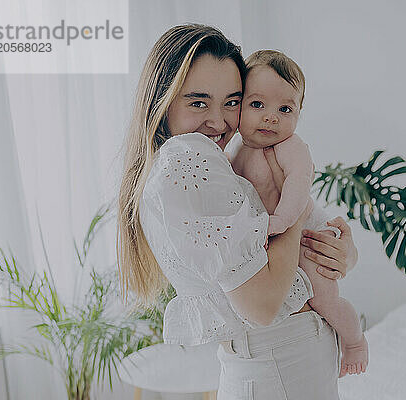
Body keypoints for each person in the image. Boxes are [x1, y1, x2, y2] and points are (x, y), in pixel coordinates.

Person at [117, 24, 359, 400]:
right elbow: (262, 305)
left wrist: (339, 251)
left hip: (278, 364)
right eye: (198, 102)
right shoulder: (188, 157)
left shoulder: (206, 161)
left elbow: (264, 255)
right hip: (282, 365)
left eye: (232, 102)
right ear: (161, 101)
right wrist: (292, 213)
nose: (219, 121)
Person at [230, 49, 368, 377]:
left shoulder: (291, 148)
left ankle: (354, 340)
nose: (271, 117)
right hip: (278, 237)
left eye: (285, 108)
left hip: (308, 232)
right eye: (257, 104)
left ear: (299, 113)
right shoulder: (236, 151)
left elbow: (297, 188)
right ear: (239, 106)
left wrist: (279, 222)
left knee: (324, 299)